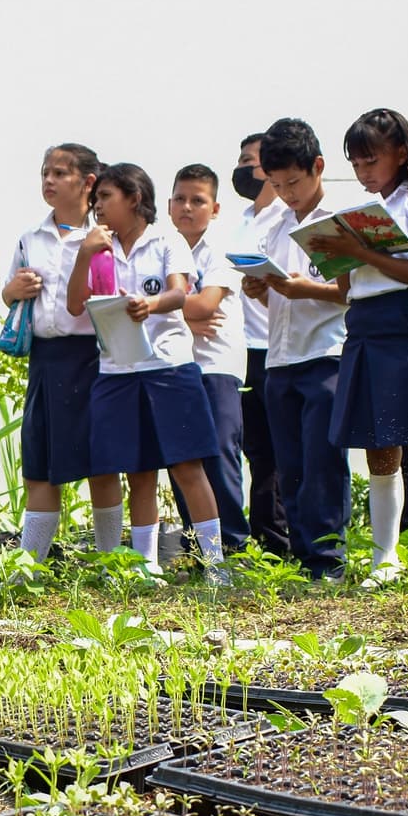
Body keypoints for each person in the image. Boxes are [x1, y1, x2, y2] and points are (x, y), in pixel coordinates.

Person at [315, 109, 408, 593]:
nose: (363, 171)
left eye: (371, 160)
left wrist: (361, 254)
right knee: (379, 448)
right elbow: (346, 287)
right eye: (356, 163)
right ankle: (386, 558)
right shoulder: (360, 214)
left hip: (405, 325)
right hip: (362, 327)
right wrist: (335, 255)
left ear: (401, 153)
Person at [64, 163, 232, 576]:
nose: (97, 206)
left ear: (134, 198)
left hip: (168, 365)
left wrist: (149, 304)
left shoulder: (166, 240)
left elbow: (179, 292)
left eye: (105, 197)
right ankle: (144, 566)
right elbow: (74, 305)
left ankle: (215, 563)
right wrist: (85, 254)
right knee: (137, 470)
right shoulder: (96, 248)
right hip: (117, 368)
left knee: (187, 465)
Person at [241, 119, 351, 581]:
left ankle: (328, 561)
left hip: (325, 353)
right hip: (280, 356)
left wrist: (300, 288)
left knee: (322, 462)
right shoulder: (276, 224)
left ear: (318, 167)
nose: (286, 193)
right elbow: (279, 294)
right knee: (290, 466)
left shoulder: (336, 221)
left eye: (294, 182)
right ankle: (304, 558)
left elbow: (348, 292)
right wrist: (259, 288)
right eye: (278, 184)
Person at [5, 144, 122, 562]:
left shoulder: (105, 237)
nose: (49, 181)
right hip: (45, 360)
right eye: (45, 173)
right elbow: (10, 294)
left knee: (101, 465)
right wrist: (11, 291)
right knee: (39, 465)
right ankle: (27, 567)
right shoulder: (29, 237)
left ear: (87, 183)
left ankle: (113, 565)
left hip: (91, 358)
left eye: (59, 173)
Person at [166, 164, 250, 553]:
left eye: (197, 200)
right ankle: (199, 549)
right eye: (180, 199)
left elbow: (206, 304)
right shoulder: (162, 247)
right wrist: (183, 315)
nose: (187, 207)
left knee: (218, 454)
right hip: (176, 364)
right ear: (168, 205)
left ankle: (232, 547)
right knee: (182, 459)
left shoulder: (220, 249)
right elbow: (190, 308)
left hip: (217, 364)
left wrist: (173, 312)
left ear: (214, 208)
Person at [233, 132, 291, 556]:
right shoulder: (241, 222)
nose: (244, 170)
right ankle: (261, 534)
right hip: (245, 348)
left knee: (281, 447)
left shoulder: (285, 219)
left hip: (279, 344)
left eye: (250, 161)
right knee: (256, 448)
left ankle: (280, 537)